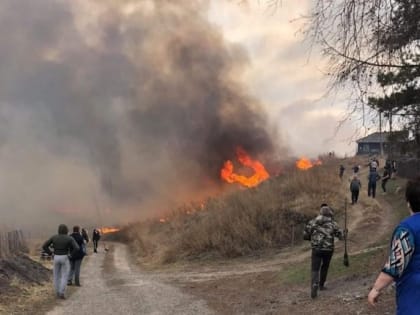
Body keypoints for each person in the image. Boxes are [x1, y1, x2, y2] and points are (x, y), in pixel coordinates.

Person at [368, 177, 420, 314]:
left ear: (408, 203)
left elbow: (396, 264)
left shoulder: (407, 229)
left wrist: (376, 288)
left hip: (414, 296)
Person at [303, 204, 344, 299]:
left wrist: (312, 238)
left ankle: (314, 284)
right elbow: (340, 236)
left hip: (316, 249)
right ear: (329, 213)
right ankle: (321, 285)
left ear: (320, 213)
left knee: (315, 268)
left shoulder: (312, 222)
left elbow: (305, 236)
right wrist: (344, 233)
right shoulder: (333, 223)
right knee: (325, 267)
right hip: (328, 249)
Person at [42, 224, 79, 299]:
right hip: (65, 257)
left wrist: (50, 253)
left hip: (56, 257)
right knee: (64, 275)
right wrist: (71, 255)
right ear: (66, 230)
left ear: (58, 230)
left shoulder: (54, 237)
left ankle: (57, 292)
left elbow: (44, 246)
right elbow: (77, 248)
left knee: (56, 275)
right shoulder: (69, 238)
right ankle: (62, 292)